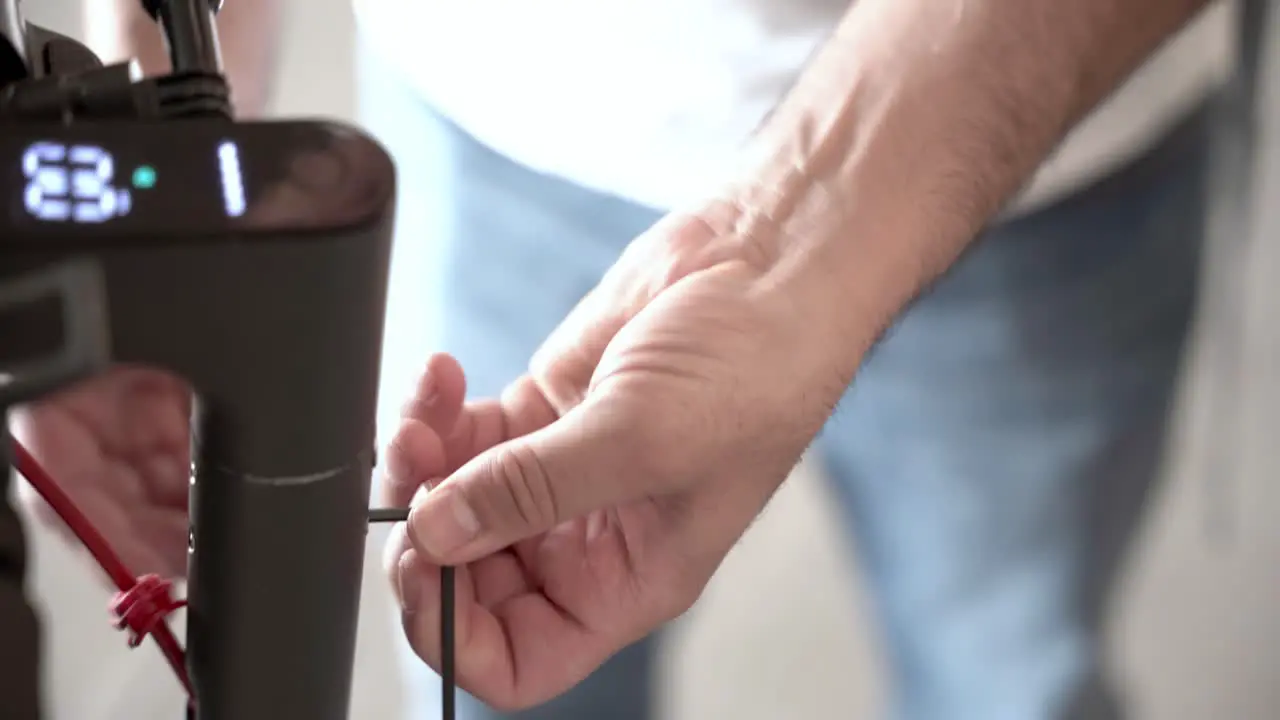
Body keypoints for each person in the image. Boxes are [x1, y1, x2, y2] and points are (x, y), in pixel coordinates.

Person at [14, 0, 1233, 718]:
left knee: (1008, 673)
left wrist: (779, 247)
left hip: (1037, 178)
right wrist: (162, 196)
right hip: (486, 120)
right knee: (499, 656)